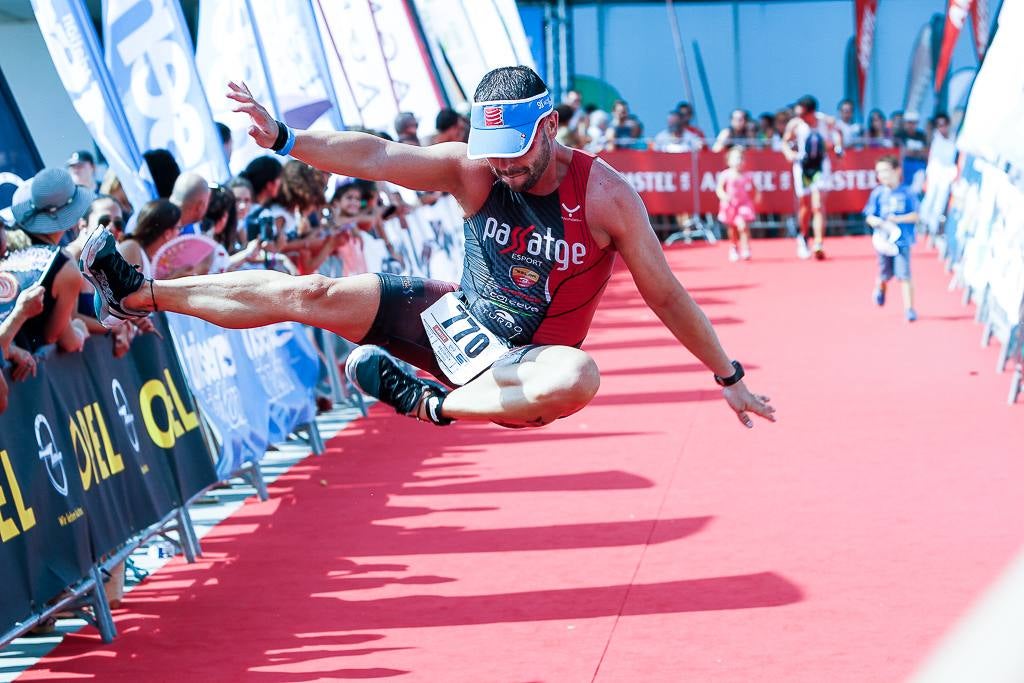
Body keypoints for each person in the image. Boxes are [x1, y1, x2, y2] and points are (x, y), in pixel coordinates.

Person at [80, 66, 775, 430]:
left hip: (527, 371)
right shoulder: (472, 166)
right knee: (311, 293)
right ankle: (135, 289)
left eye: (516, 154)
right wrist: (288, 140)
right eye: (492, 153)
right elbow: (380, 156)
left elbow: (665, 293)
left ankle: (429, 406)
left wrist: (727, 374)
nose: (501, 168)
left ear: (552, 127)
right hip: (456, 323)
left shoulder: (606, 195)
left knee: (579, 378)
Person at [9, 168, 89, 353]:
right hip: (21, 373)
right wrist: (79, 330)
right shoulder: (66, 269)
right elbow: (56, 337)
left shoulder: (6, 248)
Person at [781, 95, 841, 260]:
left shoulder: (825, 121)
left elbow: (837, 134)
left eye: (803, 114)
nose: (800, 117)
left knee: (818, 205)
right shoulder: (795, 124)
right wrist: (789, 153)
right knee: (805, 206)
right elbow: (785, 142)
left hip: (820, 166)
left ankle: (819, 242)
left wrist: (837, 147)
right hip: (802, 166)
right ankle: (804, 235)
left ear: (811, 112)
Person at [864, 155, 918, 322]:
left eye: (886, 170)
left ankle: (909, 309)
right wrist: (877, 222)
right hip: (883, 242)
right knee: (884, 273)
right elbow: (869, 215)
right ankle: (880, 288)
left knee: (904, 275)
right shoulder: (878, 194)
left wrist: (899, 219)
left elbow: (916, 215)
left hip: (902, 241)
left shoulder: (907, 192)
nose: (883, 175)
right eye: (879, 172)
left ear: (897, 171)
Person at [117, 199, 182, 278]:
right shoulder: (132, 247)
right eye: (178, 228)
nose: (179, 233)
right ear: (167, 233)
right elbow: (131, 289)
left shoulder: (151, 258)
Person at [715, 146, 757, 262]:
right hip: (730, 206)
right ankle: (734, 247)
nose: (738, 161)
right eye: (735, 158)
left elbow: (755, 189)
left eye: (740, 158)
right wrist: (724, 196)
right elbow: (719, 189)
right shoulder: (725, 174)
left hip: (743, 205)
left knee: (743, 227)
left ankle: (746, 248)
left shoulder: (748, 175)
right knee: (732, 229)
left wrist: (756, 198)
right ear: (729, 161)